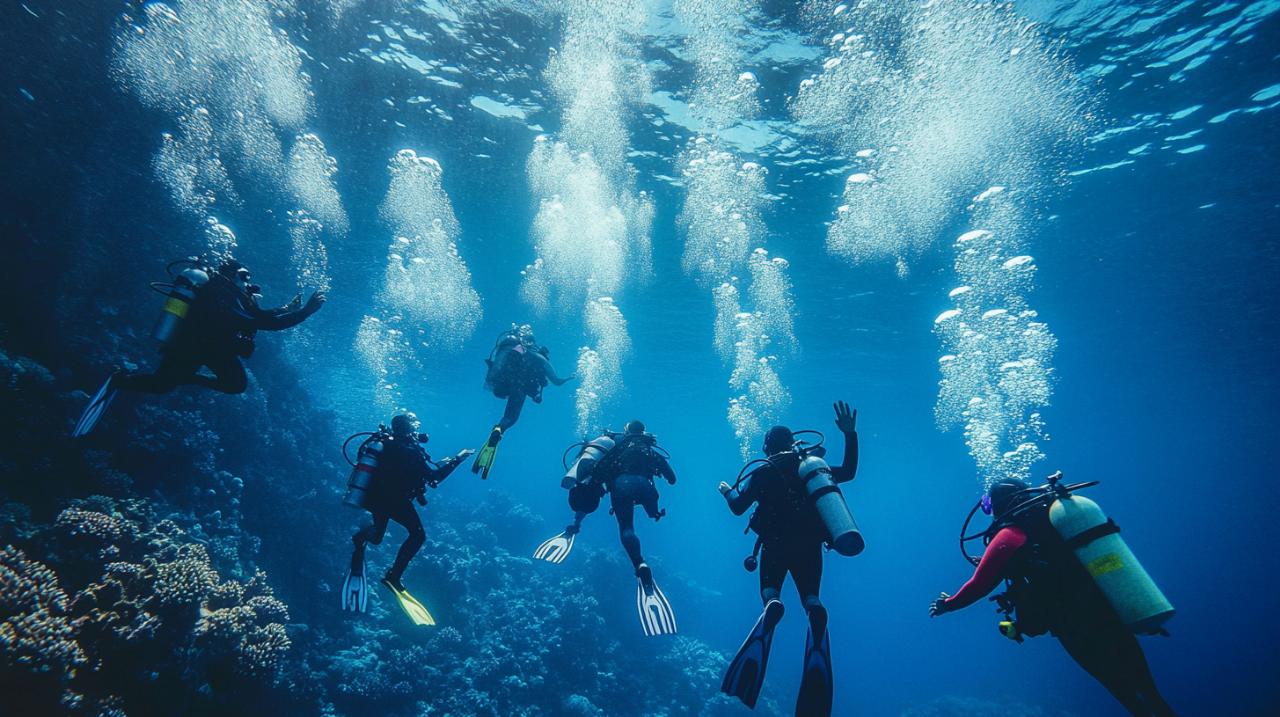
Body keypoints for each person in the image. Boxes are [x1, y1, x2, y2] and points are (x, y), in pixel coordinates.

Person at [929, 477, 1177, 716]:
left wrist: (947, 605)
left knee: (1126, 696)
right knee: (1149, 691)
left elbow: (980, 585)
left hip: (1075, 626)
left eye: (990, 506)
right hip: (1108, 609)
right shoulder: (1055, 519)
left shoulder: (1010, 533)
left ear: (999, 504)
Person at [72, 258, 325, 437]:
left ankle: (184, 377)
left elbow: (258, 316)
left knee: (235, 384)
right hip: (191, 348)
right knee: (161, 385)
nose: (249, 281)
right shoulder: (222, 293)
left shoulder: (233, 296)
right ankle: (119, 379)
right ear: (231, 275)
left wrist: (287, 308)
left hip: (213, 350)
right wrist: (306, 312)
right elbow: (265, 323)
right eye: (245, 276)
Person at [718, 401, 861, 717]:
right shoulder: (812, 468)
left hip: (775, 544)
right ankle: (814, 609)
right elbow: (849, 471)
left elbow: (738, 507)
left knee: (770, 592)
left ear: (768, 447)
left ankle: (773, 605)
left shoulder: (763, 471)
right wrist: (850, 435)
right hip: (810, 544)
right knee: (811, 594)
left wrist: (726, 490)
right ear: (792, 442)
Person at [533, 420, 678, 636]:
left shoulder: (615, 444)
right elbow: (673, 480)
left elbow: (596, 476)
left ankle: (639, 563)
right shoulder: (649, 449)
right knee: (651, 511)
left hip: (622, 486)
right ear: (644, 433)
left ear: (626, 431)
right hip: (646, 489)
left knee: (627, 528)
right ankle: (653, 512)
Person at [342, 412, 473, 626]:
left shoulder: (387, 443)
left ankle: (360, 539)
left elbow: (420, 469)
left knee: (376, 537)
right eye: (414, 425)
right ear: (408, 429)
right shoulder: (410, 450)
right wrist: (459, 459)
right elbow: (433, 477)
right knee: (418, 535)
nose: (417, 429)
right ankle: (393, 577)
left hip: (375, 497)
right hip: (394, 500)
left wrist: (444, 461)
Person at [471, 324, 573, 478]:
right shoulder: (539, 357)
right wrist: (568, 378)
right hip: (520, 390)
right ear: (534, 343)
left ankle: (498, 430)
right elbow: (556, 381)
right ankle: (499, 430)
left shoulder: (510, 351)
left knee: (509, 410)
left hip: (503, 385)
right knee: (510, 418)